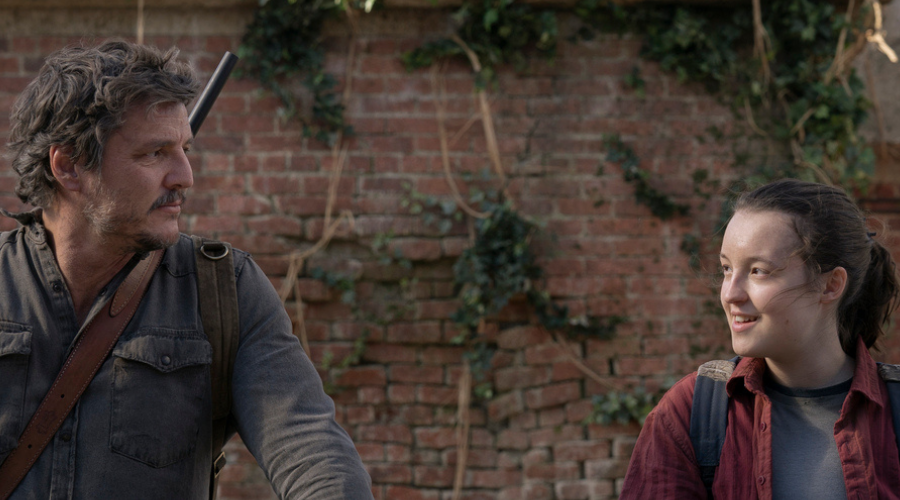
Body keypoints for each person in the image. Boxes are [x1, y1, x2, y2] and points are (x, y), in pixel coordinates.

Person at [0, 41, 373, 498]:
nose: (185, 176)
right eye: (154, 153)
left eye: (183, 148)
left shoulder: (224, 290)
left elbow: (313, 453)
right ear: (69, 166)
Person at [621, 179, 900, 498]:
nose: (730, 293)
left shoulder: (895, 413)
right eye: (727, 268)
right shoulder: (688, 414)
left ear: (831, 285)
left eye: (759, 271)